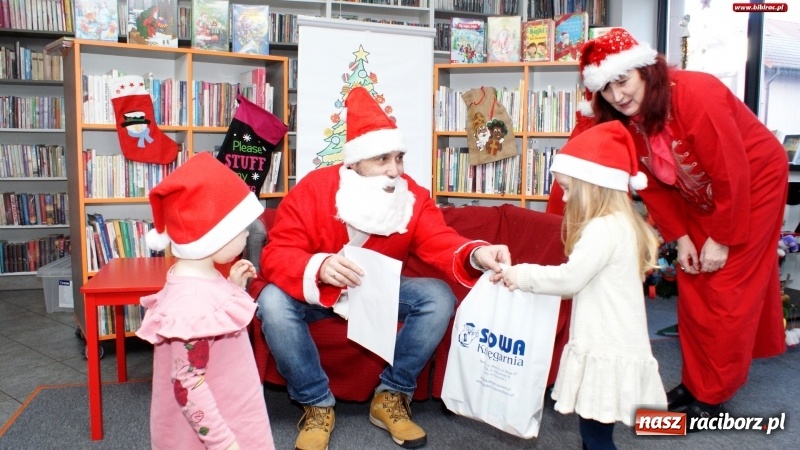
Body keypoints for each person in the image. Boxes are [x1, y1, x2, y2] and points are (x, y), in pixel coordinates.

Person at [547, 27, 787, 422]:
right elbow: (653, 185)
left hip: (751, 184)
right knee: (694, 283)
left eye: (622, 80)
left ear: (645, 69)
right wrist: (682, 237)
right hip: (694, 193)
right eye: (606, 89)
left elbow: (731, 169)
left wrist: (723, 238)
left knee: (727, 290)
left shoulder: (697, 92)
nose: (618, 95)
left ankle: (712, 397)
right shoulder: (627, 118)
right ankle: (696, 383)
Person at [253, 86, 510, 450]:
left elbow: (440, 239)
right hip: (318, 290)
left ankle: (392, 393)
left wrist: (476, 254)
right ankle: (315, 403)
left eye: (399, 158)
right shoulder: (313, 189)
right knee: (273, 303)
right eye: (382, 159)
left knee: (438, 297)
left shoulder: (412, 197)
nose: (394, 171)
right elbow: (278, 252)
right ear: (354, 162)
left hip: (377, 289)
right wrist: (321, 265)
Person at [500, 120, 668, 449]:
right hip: (614, 341)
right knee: (597, 430)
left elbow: (569, 279)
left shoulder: (602, 230)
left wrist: (521, 275)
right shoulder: (621, 224)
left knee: (595, 433)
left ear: (593, 185)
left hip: (604, 345)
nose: (563, 197)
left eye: (567, 187)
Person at [136, 153, 275, 449]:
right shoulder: (190, 307)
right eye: (241, 228)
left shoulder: (197, 279)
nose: (248, 234)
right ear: (214, 235)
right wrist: (224, 443)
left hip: (231, 405)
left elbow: (212, 318)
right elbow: (189, 386)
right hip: (217, 429)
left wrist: (233, 289)